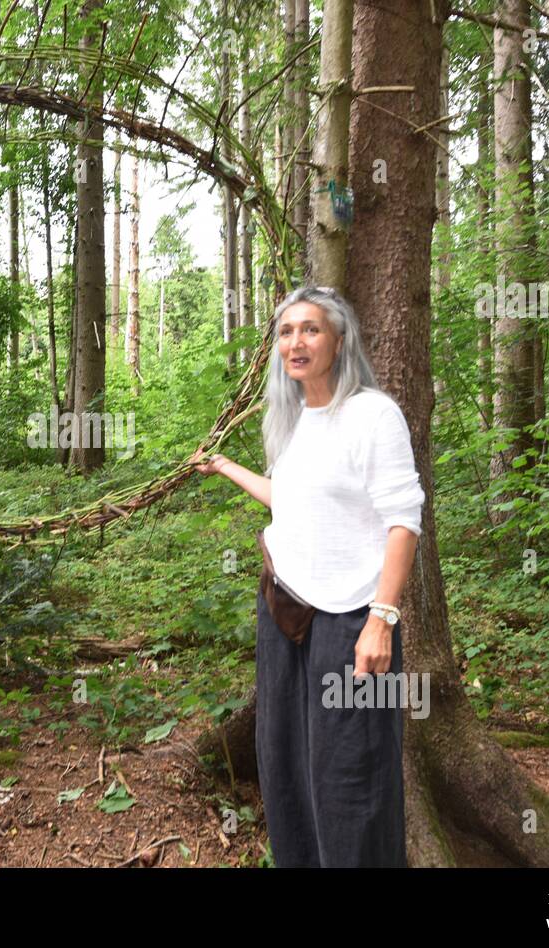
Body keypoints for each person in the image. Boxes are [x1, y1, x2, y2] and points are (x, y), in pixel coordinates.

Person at [190, 286, 425, 867]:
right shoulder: (292, 420)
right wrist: (224, 467)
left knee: (353, 770)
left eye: (311, 329)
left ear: (339, 340)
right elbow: (289, 501)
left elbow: (404, 520)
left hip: (352, 621)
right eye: (286, 331)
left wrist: (382, 620)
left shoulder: (373, 414)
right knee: (286, 761)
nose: (296, 341)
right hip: (283, 611)